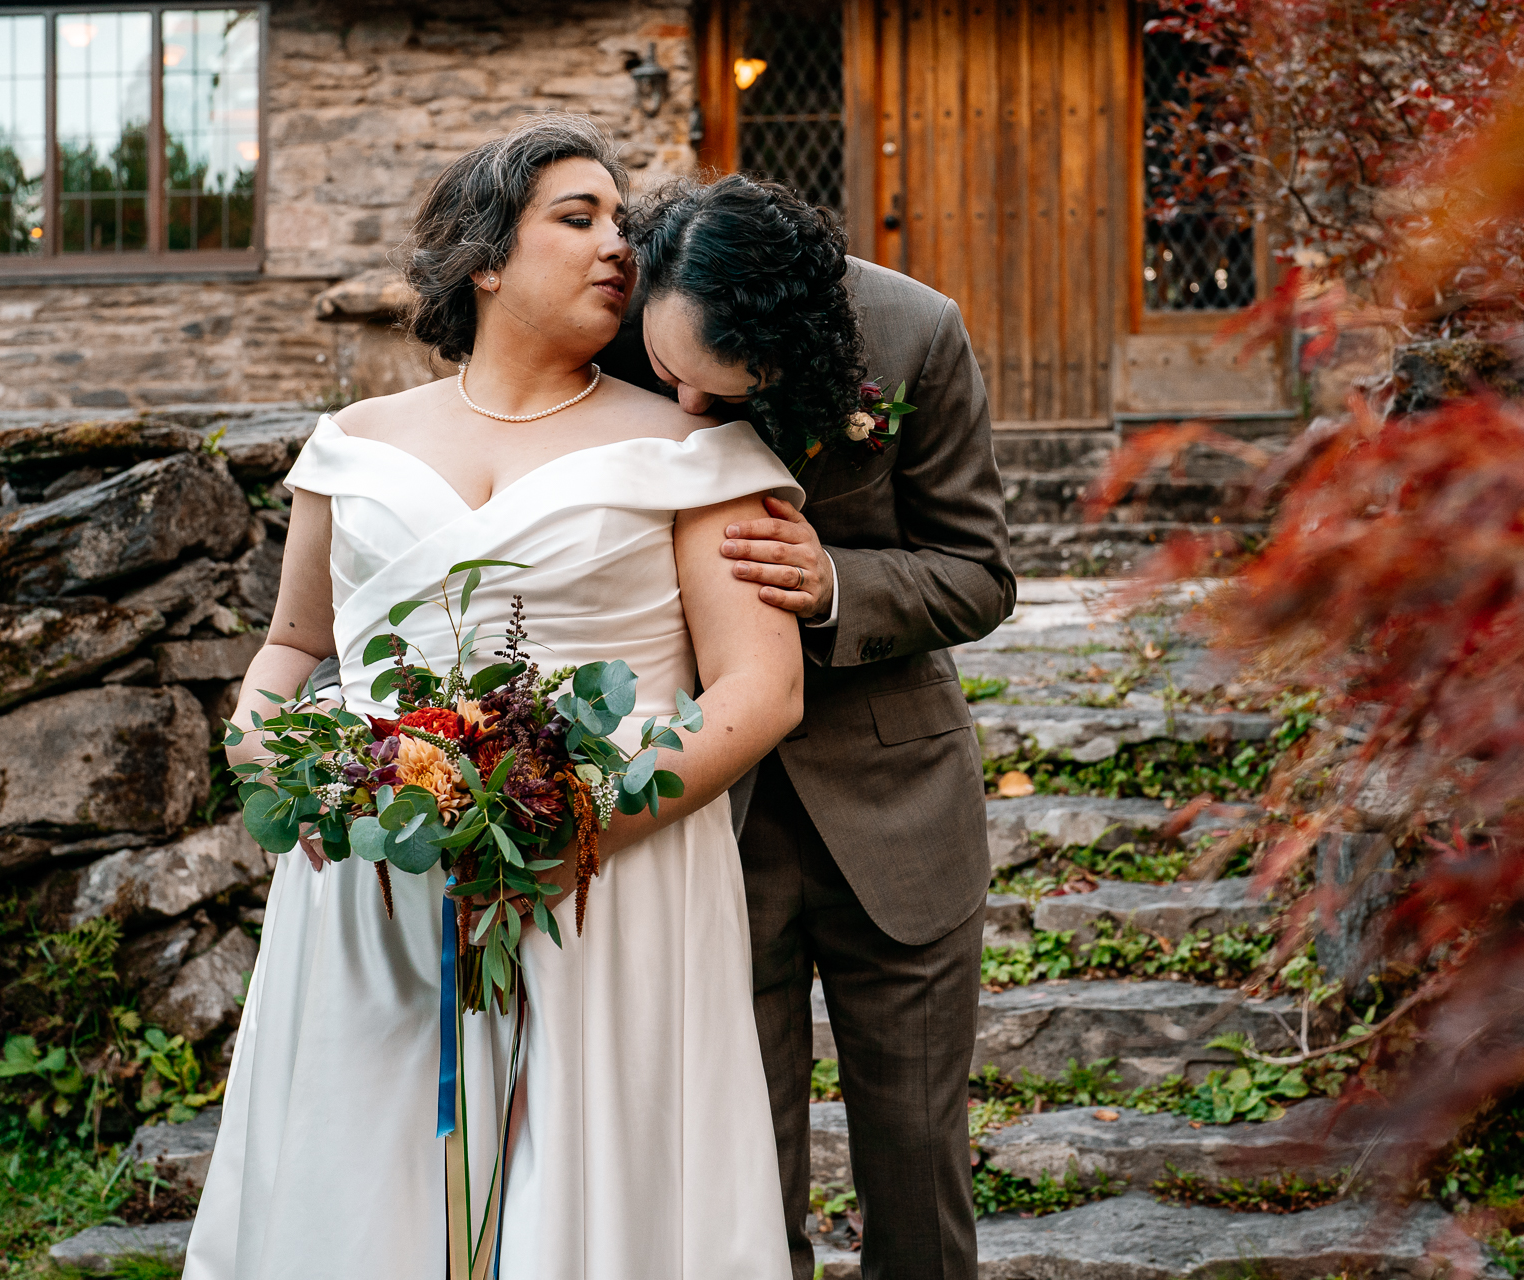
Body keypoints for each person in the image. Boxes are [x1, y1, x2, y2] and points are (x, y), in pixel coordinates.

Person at [184, 117, 808, 1280]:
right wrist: (276, 761)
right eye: (579, 218)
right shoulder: (350, 445)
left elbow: (763, 690)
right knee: (366, 1191)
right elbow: (290, 644)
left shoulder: (696, 450)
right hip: (373, 878)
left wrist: (569, 825)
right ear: (483, 256)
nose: (619, 243)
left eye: (624, 222)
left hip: (609, 880)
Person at [611, 177, 1016, 1280]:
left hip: (898, 810)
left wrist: (836, 581)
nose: (685, 410)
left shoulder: (916, 331)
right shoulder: (618, 328)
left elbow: (979, 573)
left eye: (714, 388)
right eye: (668, 377)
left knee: (919, 1164)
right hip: (707, 821)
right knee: (737, 1172)